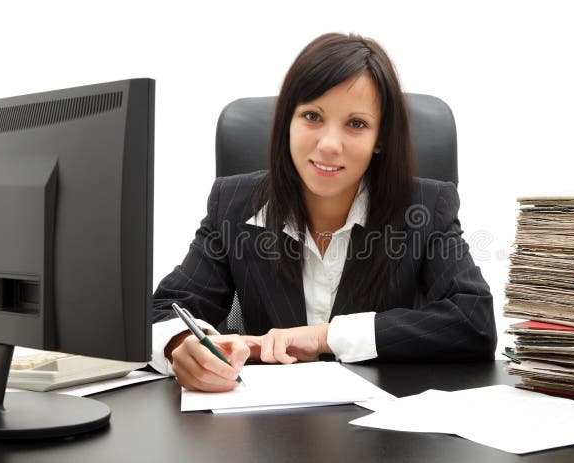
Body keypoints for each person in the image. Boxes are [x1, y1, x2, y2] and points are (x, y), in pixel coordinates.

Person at [149, 32, 496, 392]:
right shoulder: (234, 204)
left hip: (386, 433)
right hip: (269, 432)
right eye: (312, 116)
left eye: (357, 124)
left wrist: (326, 337)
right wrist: (183, 345)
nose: (329, 145)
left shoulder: (426, 207)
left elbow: (475, 321)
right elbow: (164, 311)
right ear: (287, 122)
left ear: (380, 138)